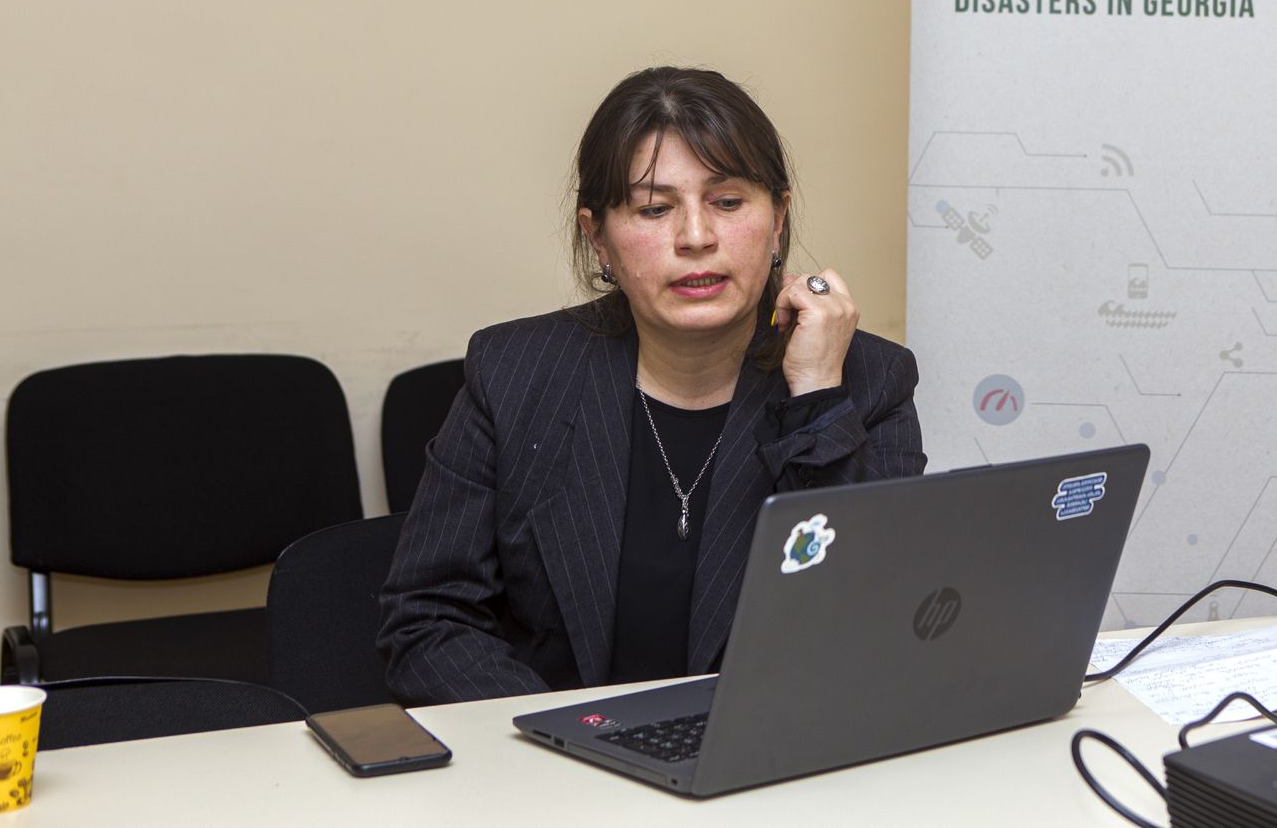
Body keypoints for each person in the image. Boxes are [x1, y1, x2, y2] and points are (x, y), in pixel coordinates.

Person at [379, 66, 925, 704]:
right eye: (654, 209)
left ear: (777, 219)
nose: (696, 238)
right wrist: (568, 733)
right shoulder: (516, 372)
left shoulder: (867, 380)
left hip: (772, 748)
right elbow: (428, 619)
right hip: (557, 754)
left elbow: (873, 628)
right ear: (598, 238)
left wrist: (817, 400)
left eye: (727, 202)